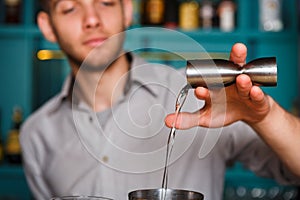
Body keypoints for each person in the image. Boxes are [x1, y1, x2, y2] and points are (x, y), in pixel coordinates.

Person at [20, 0, 300, 200]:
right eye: (70, 8)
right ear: (47, 26)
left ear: (127, 10)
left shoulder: (202, 98)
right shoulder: (36, 135)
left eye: (105, 3)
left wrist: (264, 117)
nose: (91, 19)